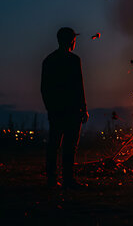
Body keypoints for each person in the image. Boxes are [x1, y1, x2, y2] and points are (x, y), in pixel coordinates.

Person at [41, 27, 89, 188]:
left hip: (60, 110)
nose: (75, 42)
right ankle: (65, 180)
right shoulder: (74, 60)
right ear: (70, 41)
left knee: (56, 145)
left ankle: (54, 180)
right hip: (70, 110)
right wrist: (83, 108)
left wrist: (50, 108)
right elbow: (79, 86)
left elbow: (44, 89)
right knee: (67, 146)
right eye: (74, 40)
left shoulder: (49, 60)